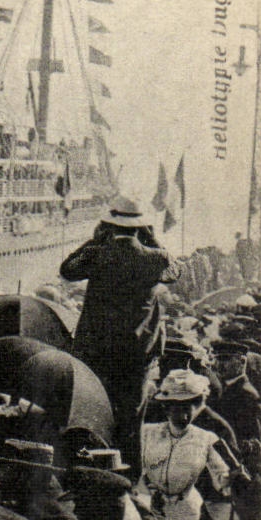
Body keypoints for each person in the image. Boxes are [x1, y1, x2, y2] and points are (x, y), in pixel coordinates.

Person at [60, 197, 177, 467]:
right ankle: (129, 477)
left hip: (96, 350)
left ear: (110, 225)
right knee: (131, 418)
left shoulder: (98, 254)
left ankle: (92, 469)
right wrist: (154, 240)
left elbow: (67, 270)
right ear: (140, 227)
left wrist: (94, 242)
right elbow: (175, 272)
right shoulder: (155, 258)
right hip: (137, 354)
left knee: (94, 410)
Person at [138, 370, 232, 520]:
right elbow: (136, 469)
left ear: (197, 405)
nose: (182, 413)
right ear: (166, 407)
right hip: (152, 513)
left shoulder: (205, 439)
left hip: (188, 518)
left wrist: (230, 480)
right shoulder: (148, 433)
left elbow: (222, 477)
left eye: (189, 406)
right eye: (175, 406)